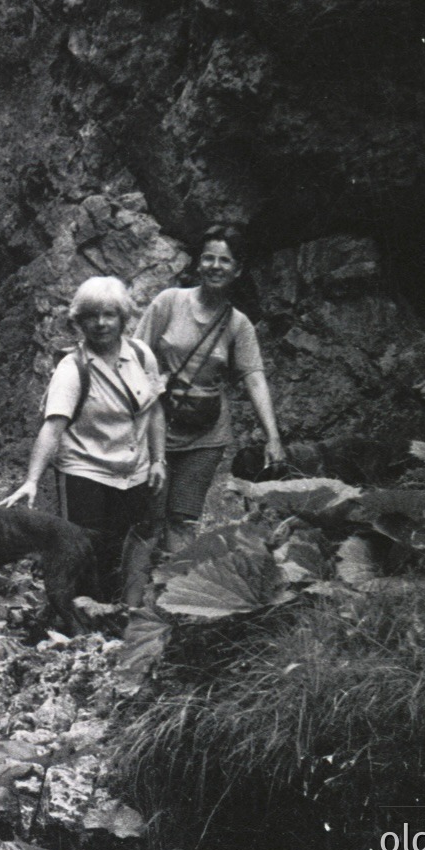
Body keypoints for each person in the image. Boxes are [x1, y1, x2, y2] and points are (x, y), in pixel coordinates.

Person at [124, 224, 284, 603]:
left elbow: (254, 378)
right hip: (157, 428)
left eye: (224, 260)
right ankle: (130, 603)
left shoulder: (237, 324)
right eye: (208, 257)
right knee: (149, 520)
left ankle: (174, 603)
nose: (215, 266)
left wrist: (273, 436)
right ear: (199, 263)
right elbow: (133, 355)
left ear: (237, 269)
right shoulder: (168, 302)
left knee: (182, 519)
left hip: (206, 436)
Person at [0, 276, 165, 602]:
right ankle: (82, 626)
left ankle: (120, 619)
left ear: (122, 318)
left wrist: (159, 460)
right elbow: (52, 427)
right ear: (79, 321)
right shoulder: (72, 370)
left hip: (134, 473)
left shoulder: (142, 356)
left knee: (126, 550)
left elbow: (155, 410)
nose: (101, 324)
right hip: (86, 473)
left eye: (109, 314)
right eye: (91, 316)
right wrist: (32, 480)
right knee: (86, 552)